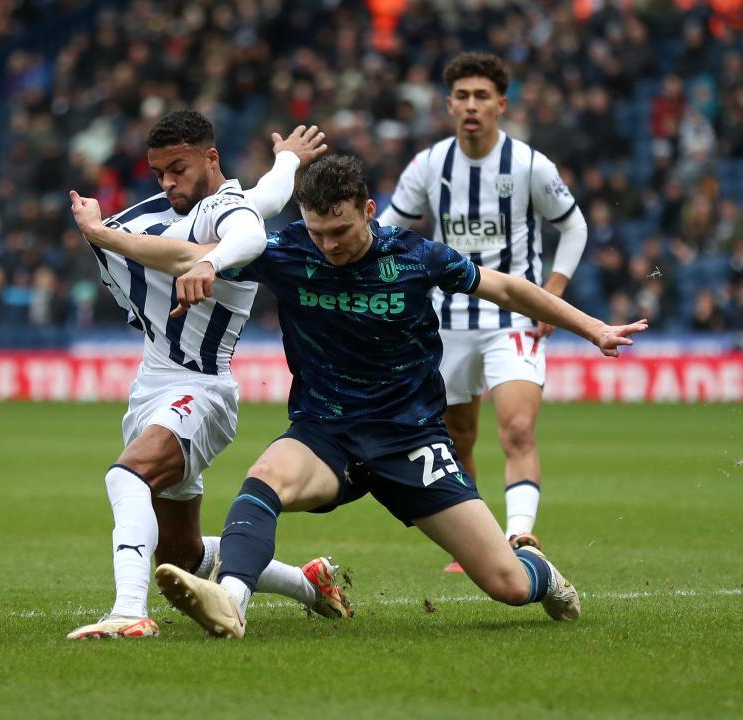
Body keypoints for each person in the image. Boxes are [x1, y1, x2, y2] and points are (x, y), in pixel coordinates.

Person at [123, 154, 645, 638]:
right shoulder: (286, 252)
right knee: (263, 481)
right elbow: (185, 253)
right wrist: (108, 236)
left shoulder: (415, 256)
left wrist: (593, 328)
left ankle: (542, 574)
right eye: (318, 230)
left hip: (410, 439)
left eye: (342, 229)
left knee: (507, 585)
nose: (329, 244)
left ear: (369, 211)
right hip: (325, 433)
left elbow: (508, 289)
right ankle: (231, 601)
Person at [66, 111, 351, 640]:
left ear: (210, 157)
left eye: (178, 168)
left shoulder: (226, 212)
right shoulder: (178, 209)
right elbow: (270, 189)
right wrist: (288, 157)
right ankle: (311, 584)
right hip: (150, 384)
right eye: (159, 174)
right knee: (182, 553)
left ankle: (129, 612)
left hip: (201, 387)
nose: (169, 182)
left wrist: (209, 265)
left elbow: (249, 236)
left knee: (125, 476)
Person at [377, 52, 590, 571]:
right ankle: (480, 542)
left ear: (501, 104)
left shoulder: (530, 165)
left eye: (482, 96)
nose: (472, 106)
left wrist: (554, 291)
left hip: (512, 320)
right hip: (446, 322)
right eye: (463, 97)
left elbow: (574, 226)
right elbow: (385, 231)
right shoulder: (430, 165)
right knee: (457, 436)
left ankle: (520, 536)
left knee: (517, 429)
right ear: (449, 105)